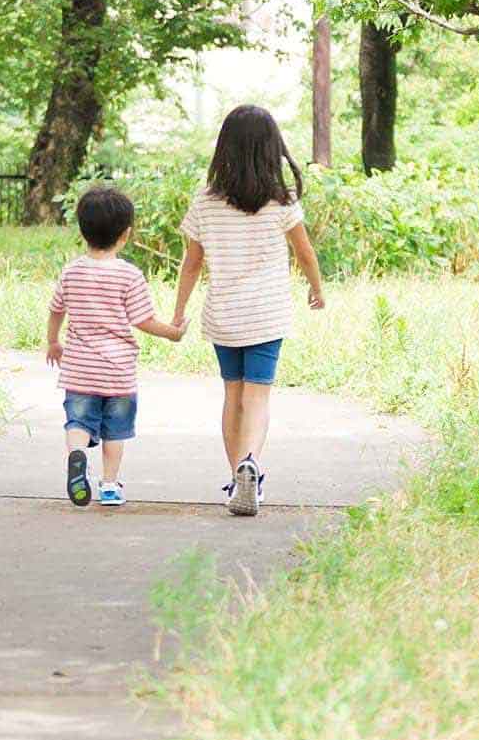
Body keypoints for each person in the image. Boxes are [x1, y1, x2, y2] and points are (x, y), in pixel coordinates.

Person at [172, 105, 325, 517]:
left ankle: (236, 476)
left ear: (225, 148)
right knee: (258, 397)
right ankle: (250, 465)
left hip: (224, 314)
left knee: (232, 395)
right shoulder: (280, 201)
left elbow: (191, 263)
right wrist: (316, 289)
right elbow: (305, 252)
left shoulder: (205, 201)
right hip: (267, 314)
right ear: (270, 148)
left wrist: (178, 311)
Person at [46, 185, 188, 508]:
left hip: (80, 370)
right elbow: (143, 320)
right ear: (125, 235)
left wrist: (53, 341)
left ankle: (78, 456)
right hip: (118, 373)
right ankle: (109, 485)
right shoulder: (129, 275)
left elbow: (56, 309)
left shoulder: (72, 272)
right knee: (115, 431)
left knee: (78, 423)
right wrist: (173, 333)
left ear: (83, 232)